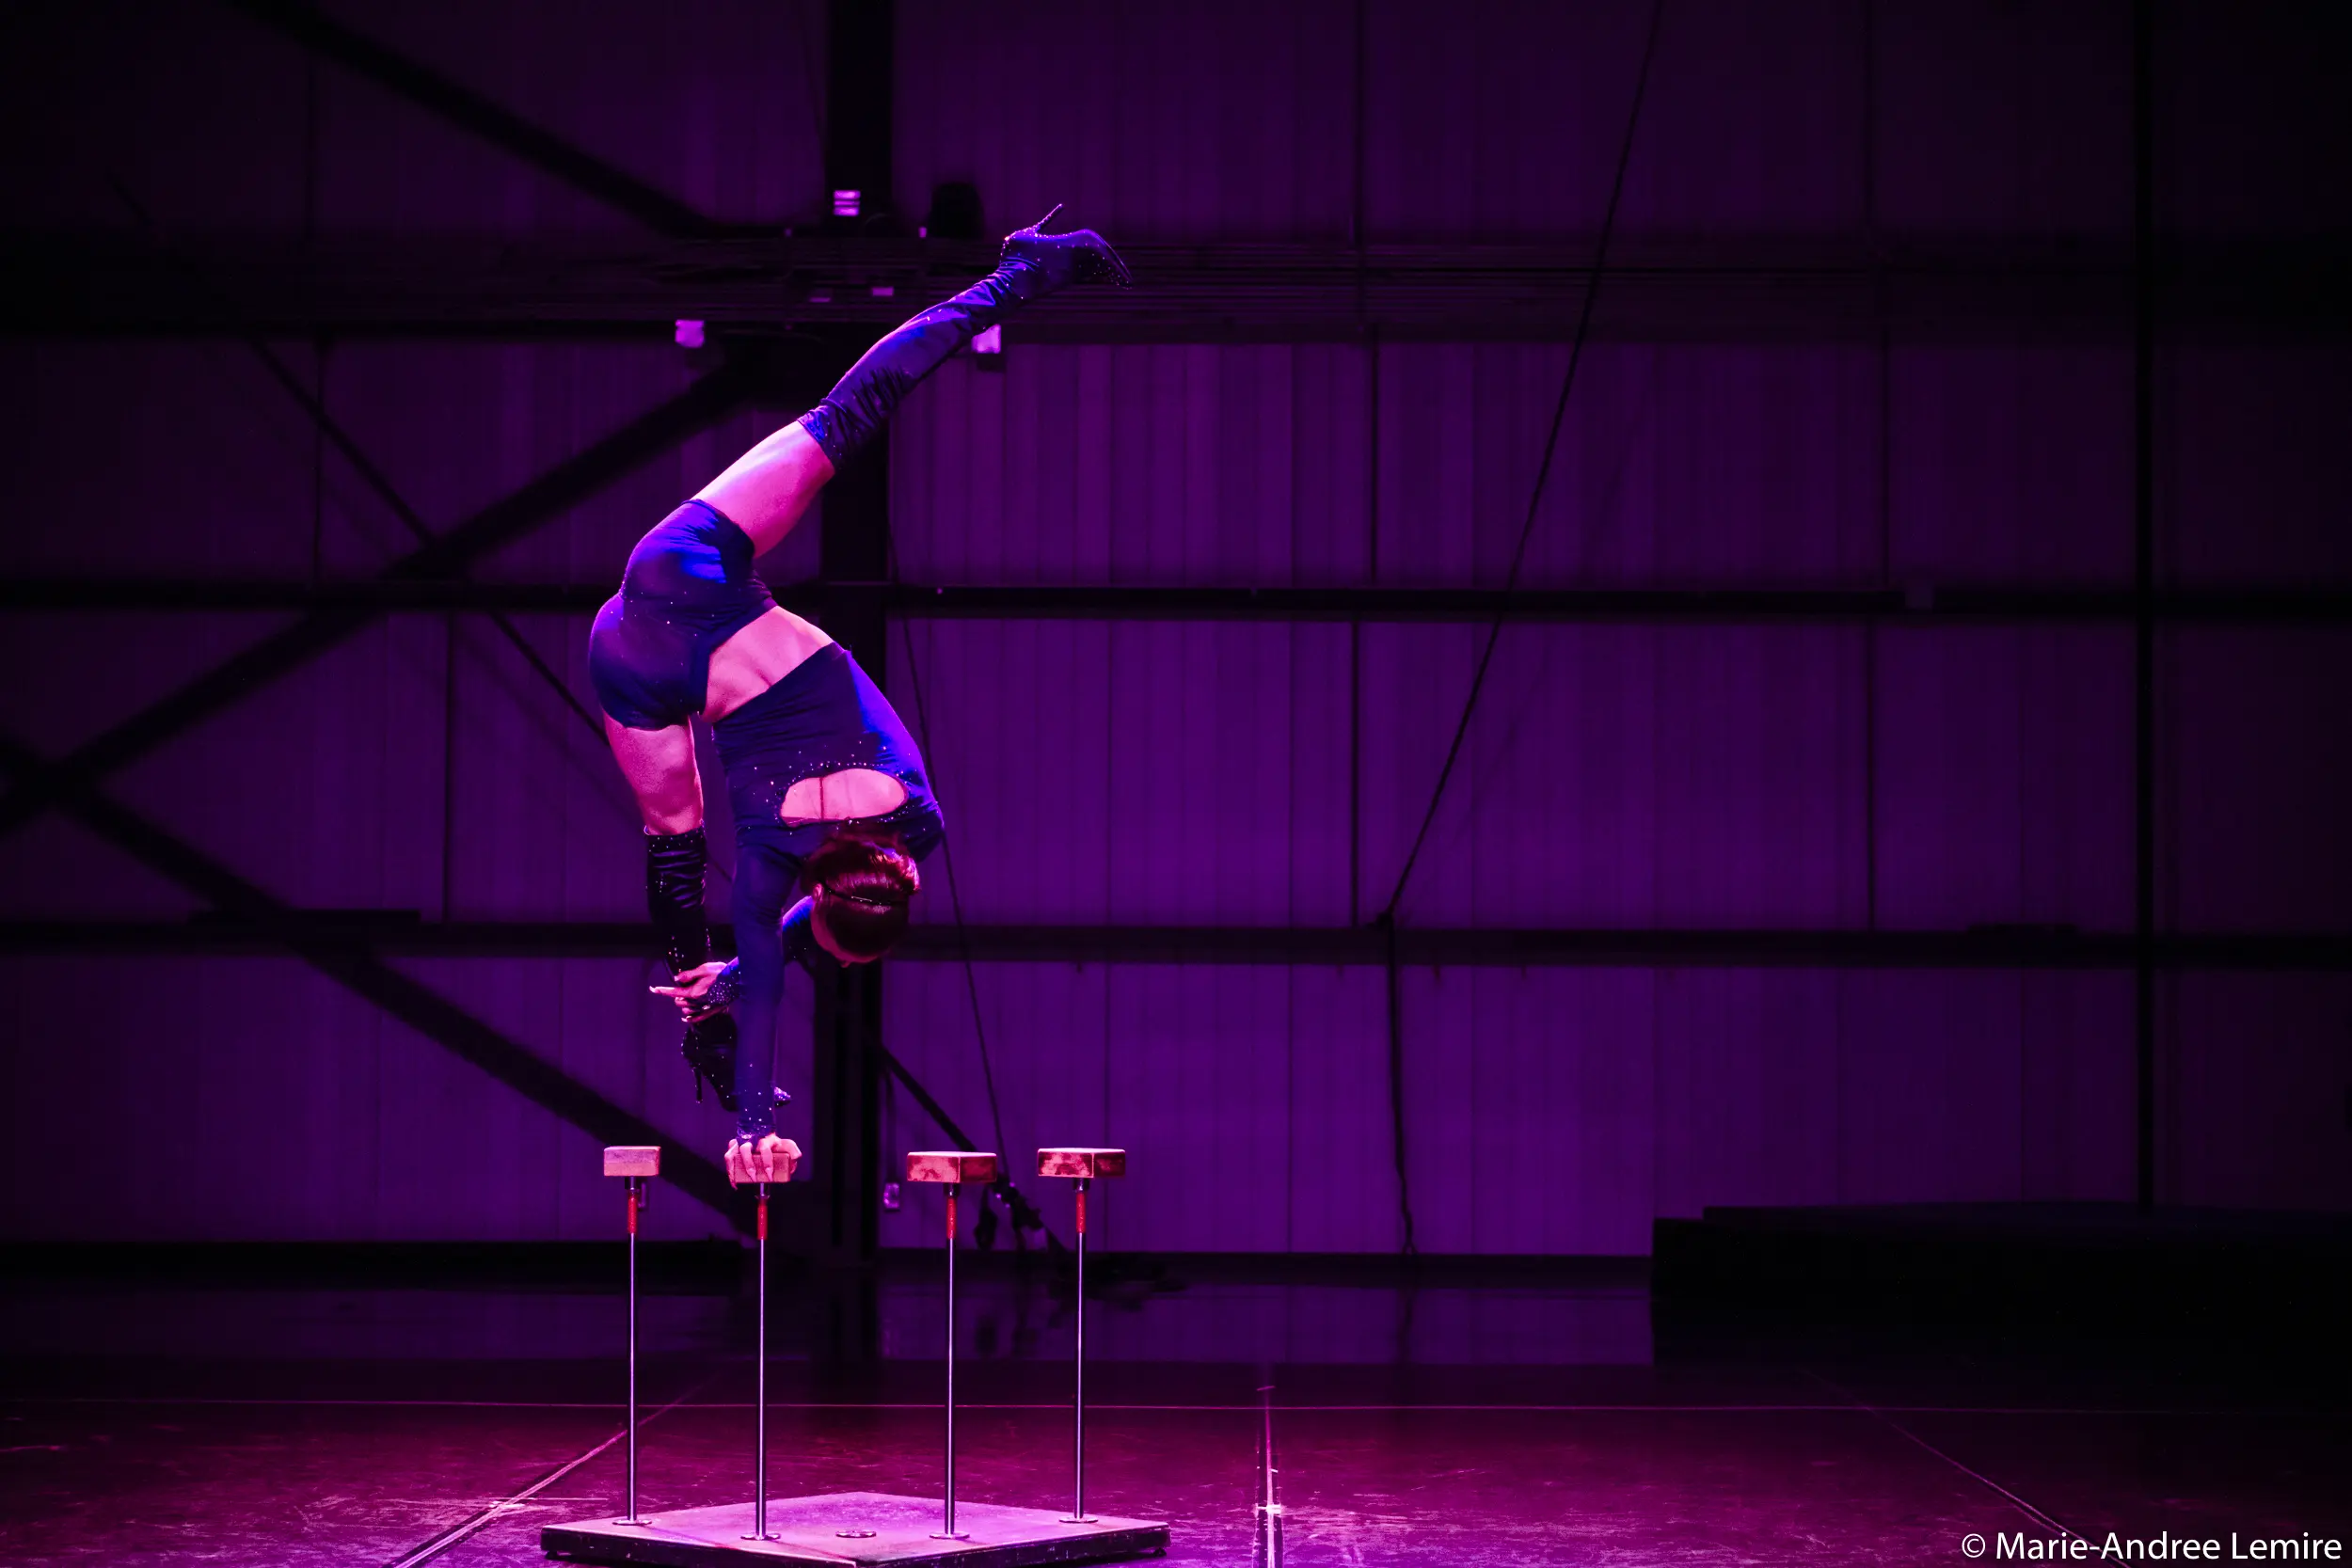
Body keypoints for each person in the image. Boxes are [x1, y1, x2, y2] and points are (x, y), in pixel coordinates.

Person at [587, 212, 1128, 1190]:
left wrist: (758, 1046)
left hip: (684, 574)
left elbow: (800, 943)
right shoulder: (764, 871)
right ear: (824, 894)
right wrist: (748, 1114)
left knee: (849, 413)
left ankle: (1019, 276)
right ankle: (695, 1032)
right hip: (631, 663)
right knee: (672, 848)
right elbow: (776, 969)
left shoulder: (919, 819)